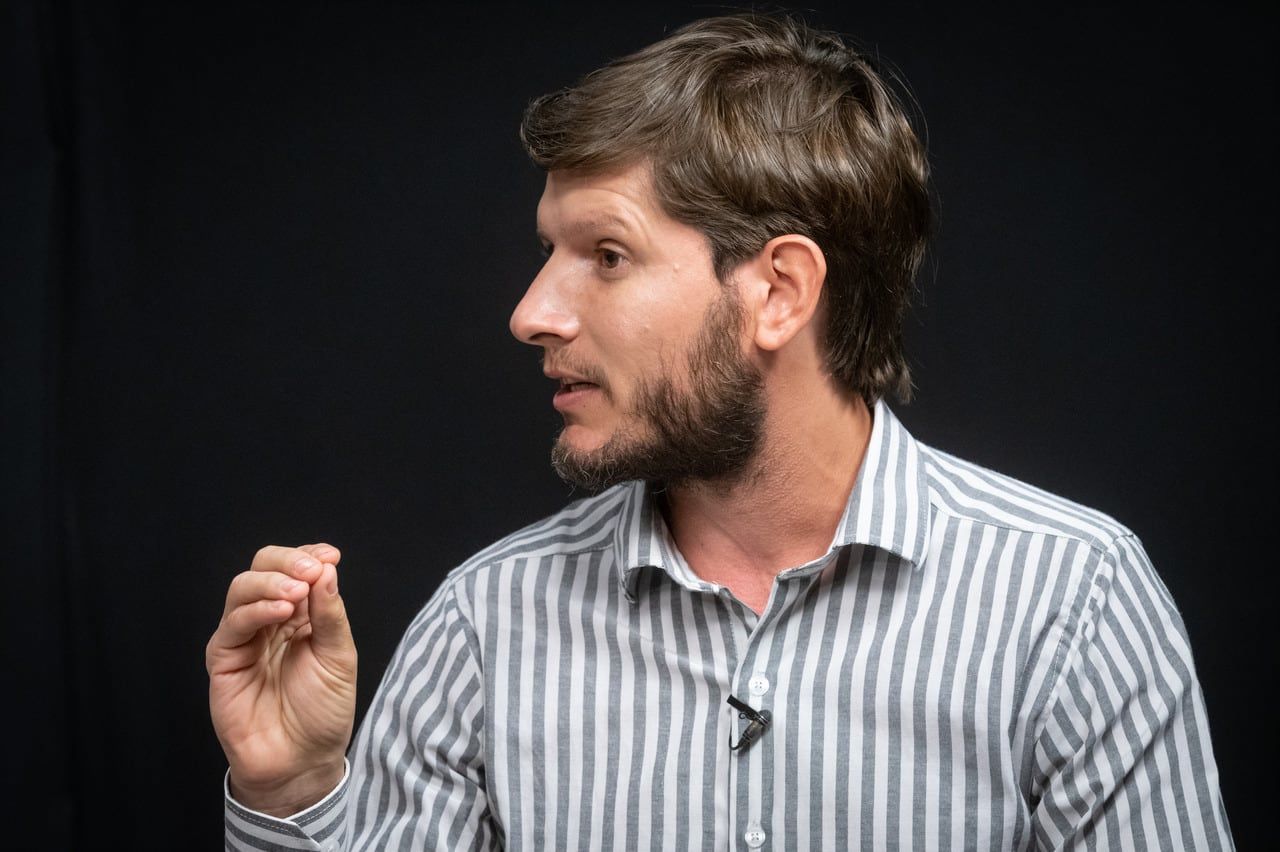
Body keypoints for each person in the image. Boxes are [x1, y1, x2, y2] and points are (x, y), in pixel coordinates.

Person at [207, 13, 1234, 851]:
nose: (531, 313)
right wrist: (292, 794)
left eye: (604, 255)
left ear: (778, 291)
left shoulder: (1072, 598)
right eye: (546, 252)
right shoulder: (486, 621)